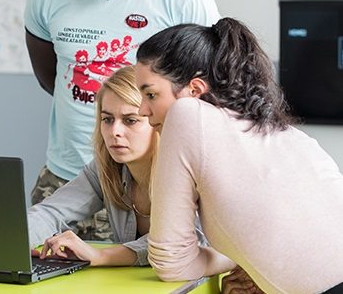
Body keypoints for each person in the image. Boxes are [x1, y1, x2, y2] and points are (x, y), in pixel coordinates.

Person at [134, 17, 343, 293]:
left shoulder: (186, 113)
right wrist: (250, 262)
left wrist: (239, 262)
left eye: (150, 94)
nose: (142, 110)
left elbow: (171, 262)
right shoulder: (285, 134)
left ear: (194, 91)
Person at [24, 0, 220, 241]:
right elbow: (49, 78)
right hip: (66, 168)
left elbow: (181, 247)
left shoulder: (186, 1)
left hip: (151, 175)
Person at [28, 66, 209, 267]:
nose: (115, 131)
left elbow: (183, 242)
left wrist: (102, 256)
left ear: (157, 121)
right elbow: (51, 212)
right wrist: (17, 240)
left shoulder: (187, 171)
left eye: (130, 120)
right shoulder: (105, 169)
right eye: (107, 119)